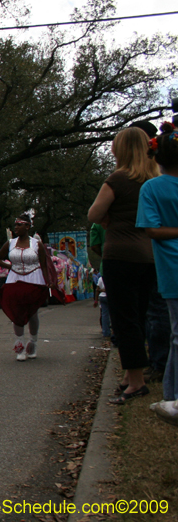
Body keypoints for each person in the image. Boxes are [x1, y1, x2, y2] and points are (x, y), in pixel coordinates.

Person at [88, 126, 160, 404]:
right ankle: (132, 375)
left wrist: (109, 220)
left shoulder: (118, 179)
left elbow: (94, 213)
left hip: (120, 255)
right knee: (141, 316)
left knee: (124, 320)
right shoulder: (154, 179)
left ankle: (137, 382)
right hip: (149, 256)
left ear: (122, 149)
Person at [137, 121, 178, 425]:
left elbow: (152, 229)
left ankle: (172, 397)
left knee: (177, 333)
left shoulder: (151, 188)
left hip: (172, 270)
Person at [0, 214, 56, 361]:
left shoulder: (36, 244)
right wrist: (9, 266)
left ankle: (32, 342)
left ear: (27, 226)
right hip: (15, 279)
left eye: (19, 225)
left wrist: (48, 281)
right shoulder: (10, 243)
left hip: (34, 278)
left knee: (32, 312)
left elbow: (44, 264)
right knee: (17, 312)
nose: (16, 228)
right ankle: (19, 345)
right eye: (15, 225)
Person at [93, 275, 111, 345]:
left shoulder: (101, 278)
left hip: (102, 297)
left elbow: (97, 290)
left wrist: (96, 301)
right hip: (110, 297)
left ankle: (106, 332)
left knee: (104, 315)